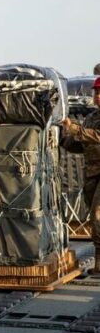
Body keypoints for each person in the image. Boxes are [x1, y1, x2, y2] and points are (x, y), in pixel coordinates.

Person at [62, 77, 100, 273]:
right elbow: (82, 145)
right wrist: (64, 138)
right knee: (94, 218)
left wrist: (75, 128)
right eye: (96, 92)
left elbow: (96, 136)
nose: (98, 96)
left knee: (97, 215)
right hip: (92, 173)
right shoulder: (92, 118)